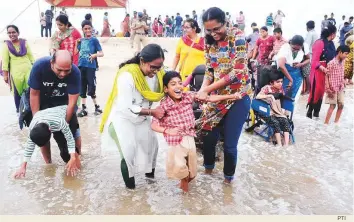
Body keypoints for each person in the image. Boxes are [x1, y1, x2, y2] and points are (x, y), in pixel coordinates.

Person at [151, 71, 242, 192]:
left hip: (190, 137)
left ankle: (183, 189)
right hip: (176, 141)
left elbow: (209, 98)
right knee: (182, 171)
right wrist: (167, 130)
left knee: (192, 173)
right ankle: (185, 197)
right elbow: (153, 125)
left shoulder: (187, 96)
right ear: (166, 89)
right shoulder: (164, 105)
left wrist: (231, 96)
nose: (178, 86)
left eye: (179, 83)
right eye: (173, 84)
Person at [196, 7, 252, 184]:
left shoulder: (238, 37)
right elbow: (209, 70)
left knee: (229, 145)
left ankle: (228, 184)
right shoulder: (209, 41)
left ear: (225, 22)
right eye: (209, 30)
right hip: (216, 97)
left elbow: (237, 71)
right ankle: (208, 174)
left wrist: (207, 89)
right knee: (208, 137)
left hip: (238, 96)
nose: (213, 33)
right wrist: (203, 90)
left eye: (217, 29)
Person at [99, 44, 166, 189]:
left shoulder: (158, 74)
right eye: (153, 67)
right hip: (123, 118)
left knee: (152, 147)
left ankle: (151, 185)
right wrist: (152, 112)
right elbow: (125, 107)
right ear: (142, 61)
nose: (156, 71)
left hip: (142, 118)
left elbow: (171, 85)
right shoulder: (127, 75)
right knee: (128, 153)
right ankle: (131, 192)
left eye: (159, 67)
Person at [28, 50, 82, 165]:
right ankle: (49, 163)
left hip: (63, 102)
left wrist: (63, 124)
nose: (63, 74)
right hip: (42, 99)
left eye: (67, 70)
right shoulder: (39, 66)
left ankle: (77, 158)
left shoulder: (75, 73)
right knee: (42, 131)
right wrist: (38, 120)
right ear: (52, 63)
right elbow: (34, 94)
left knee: (72, 131)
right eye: (59, 70)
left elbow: (72, 102)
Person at [13, 105, 81, 179]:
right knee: (66, 153)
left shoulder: (59, 122)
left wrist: (72, 157)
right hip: (44, 114)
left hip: (67, 112)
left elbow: (69, 138)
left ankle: (79, 161)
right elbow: (29, 146)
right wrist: (23, 167)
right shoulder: (32, 126)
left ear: (50, 130)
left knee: (67, 153)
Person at [1, 25, 35, 114]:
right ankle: (19, 110)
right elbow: (5, 61)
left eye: (13, 32)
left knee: (30, 89)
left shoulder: (24, 43)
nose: (11, 34)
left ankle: (31, 108)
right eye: (9, 33)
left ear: (18, 33)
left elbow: (31, 56)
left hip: (28, 70)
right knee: (17, 92)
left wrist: (35, 68)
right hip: (16, 73)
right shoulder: (6, 45)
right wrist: (5, 75)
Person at [307, 24, 337, 119]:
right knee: (315, 91)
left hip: (327, 71)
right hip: (318, 70)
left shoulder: (331, 44)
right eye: (335, 33)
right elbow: (314, 61)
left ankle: (316, 114)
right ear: (332, 34)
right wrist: (323, 68)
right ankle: (309, 113)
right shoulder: (319, 43)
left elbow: (334, 58)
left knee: (321, 92)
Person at [255, 69, 291, 147]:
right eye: (278, 82)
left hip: (276, 111)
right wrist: (269, 95)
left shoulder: (281, 89)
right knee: (276, 123)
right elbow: (258, 96)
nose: (280, 84)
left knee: (285, 121)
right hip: (266, 111)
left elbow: (282, 101)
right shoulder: (267, 88)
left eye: (281, 82)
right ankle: (279, 144)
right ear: (271, 82)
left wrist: (285, 112)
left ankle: (286, 145)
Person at [77, 20, 104, 118]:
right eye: (85, 29)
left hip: (91, 67)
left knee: (91, 87)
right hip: (81, 65)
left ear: (92, 29)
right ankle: (84, 108)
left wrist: (94, 55)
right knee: (82, 86)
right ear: (83, 30)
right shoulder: (81, 40)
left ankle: (97, 106)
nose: (87, 30)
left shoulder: (94, 40)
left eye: (89, 28)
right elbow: (77, 52)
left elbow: (101, 53)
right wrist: (77, 43)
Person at [324, 45, 350, 124]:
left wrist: (344, 81)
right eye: (345, 54)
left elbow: (342, 72)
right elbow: (326, 75)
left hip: (341, 87)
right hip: (332, 88)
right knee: (332, 106)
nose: (346, 56)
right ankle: (326, 123)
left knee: (341, 105)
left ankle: (336, 123)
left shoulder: (343, 61)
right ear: (339, 52)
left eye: (347, 54)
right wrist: (328, 88)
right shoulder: (331, 63)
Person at [303, 21, 319, 94]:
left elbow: (306, 46)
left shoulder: (310, 34)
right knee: (312, 73)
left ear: (307, 27)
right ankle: (312, 89)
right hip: (315, 55)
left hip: (309, 55)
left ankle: (308, 90)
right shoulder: (316, 33)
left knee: (307, 73)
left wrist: (305, 56)